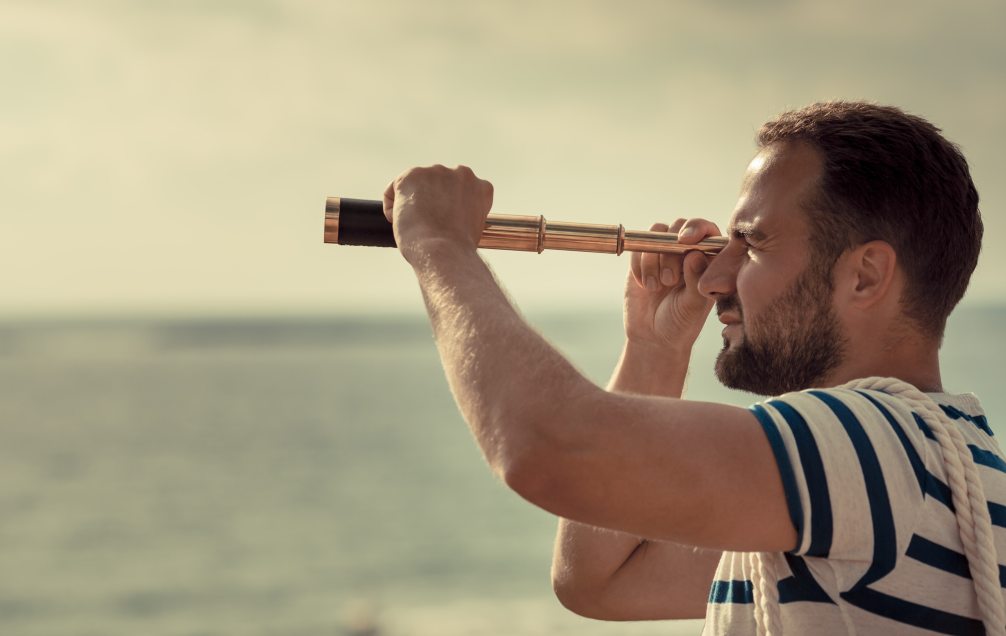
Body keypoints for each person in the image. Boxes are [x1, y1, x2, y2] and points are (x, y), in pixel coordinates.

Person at [381, 101, 998, 634]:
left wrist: (439, 245)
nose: (715, 277)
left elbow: (546, 450)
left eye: (751, 245)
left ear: (864, 275)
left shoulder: (873, 448)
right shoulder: (940, 464)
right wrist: (656, 347)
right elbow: (600, 581)